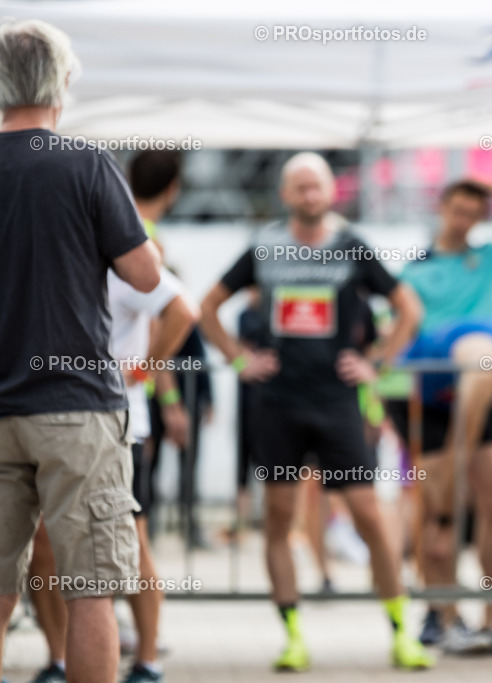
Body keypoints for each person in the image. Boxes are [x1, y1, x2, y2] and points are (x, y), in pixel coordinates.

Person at [198, 152, 431, 672]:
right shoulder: (264, 246)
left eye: (317, 187)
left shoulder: (350, 245)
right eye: (300, 188)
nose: (309, 196)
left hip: (336, 404)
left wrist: (377, 360)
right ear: (285, 194)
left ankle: (401, 631)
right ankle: (292, 637)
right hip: (277, 404)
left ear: (331, 192)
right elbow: (206, 305)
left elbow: (408, 309)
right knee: (279, 520)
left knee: (369, 517)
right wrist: (238, 358)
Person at [0, 19, 162, 683]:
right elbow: (147, 276)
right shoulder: (88, 165)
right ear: (63, 82)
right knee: (91, 583)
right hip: (75, 406)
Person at [389, 179, 492, 653]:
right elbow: (400, 327)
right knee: (438, 513)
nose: (465, 220)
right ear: (443, 208)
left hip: (485, 381)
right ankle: (442, 612)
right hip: (436, 387)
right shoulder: (415, 270)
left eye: (474, 212)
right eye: (458, 209)